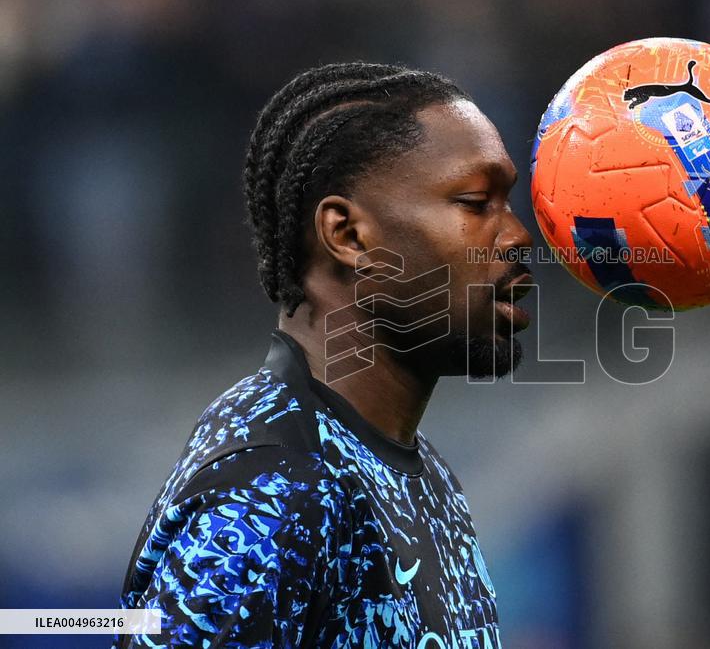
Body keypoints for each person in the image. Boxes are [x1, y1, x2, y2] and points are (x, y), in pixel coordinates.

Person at [114, 62, 534, 648]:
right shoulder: (272, 489)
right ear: (348, 235)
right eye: (474, 201)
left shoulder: (416, 472)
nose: (517, 235)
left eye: (508, 201)